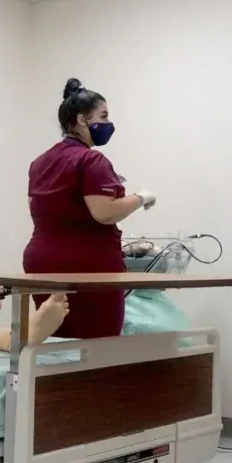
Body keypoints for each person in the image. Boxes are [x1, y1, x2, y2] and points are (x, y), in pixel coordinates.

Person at [23, 78, 155, 339]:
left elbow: (37, 210)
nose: (108, 124)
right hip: (86, 267)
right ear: (82, 120)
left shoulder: (40, 162)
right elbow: (104, 212)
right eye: (103, 116)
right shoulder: (91, 159)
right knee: (97, 349)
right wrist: (141, 197)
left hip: (41, 262)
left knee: (52, 344)